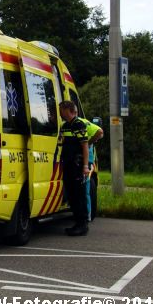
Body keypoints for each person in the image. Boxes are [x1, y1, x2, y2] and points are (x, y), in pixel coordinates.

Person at [58, 100, 89, 236]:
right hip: (68, 164)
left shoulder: (78, 124)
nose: (59, 112)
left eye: (61, 110)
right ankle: (77, 223)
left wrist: (85, 166)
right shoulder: (65, 126)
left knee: (79, 195)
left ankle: (82, 225)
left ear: (67, 110)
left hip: (77, 165)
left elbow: (85, 146)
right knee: (71, 194)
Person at [80, 116, 104, 221]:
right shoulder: (83, 122)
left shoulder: (82, 122)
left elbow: (100, 131)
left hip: (87, 161)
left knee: (85, 190)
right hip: (86, 160)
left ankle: (87, 216)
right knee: (85, 190)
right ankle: (86, 215)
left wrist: (88, 143)